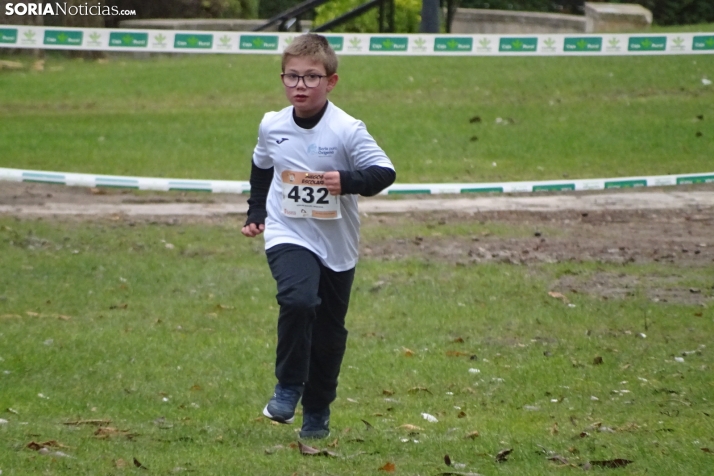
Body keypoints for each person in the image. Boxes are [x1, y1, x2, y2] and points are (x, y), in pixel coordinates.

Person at [241, 33, 396, 439]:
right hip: (286, 230)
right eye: (291, 77)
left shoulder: (346, 129)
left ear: (331, 82)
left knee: (329, 334)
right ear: (282, 78)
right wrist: (256, 210)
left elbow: (384, 173)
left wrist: (345, 180)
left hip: (337, 244)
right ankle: (288, 386)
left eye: (311, 78)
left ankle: (317, 410)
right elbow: (261, 166)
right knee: (297, 298)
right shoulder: (272, 124)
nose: (300, 86)